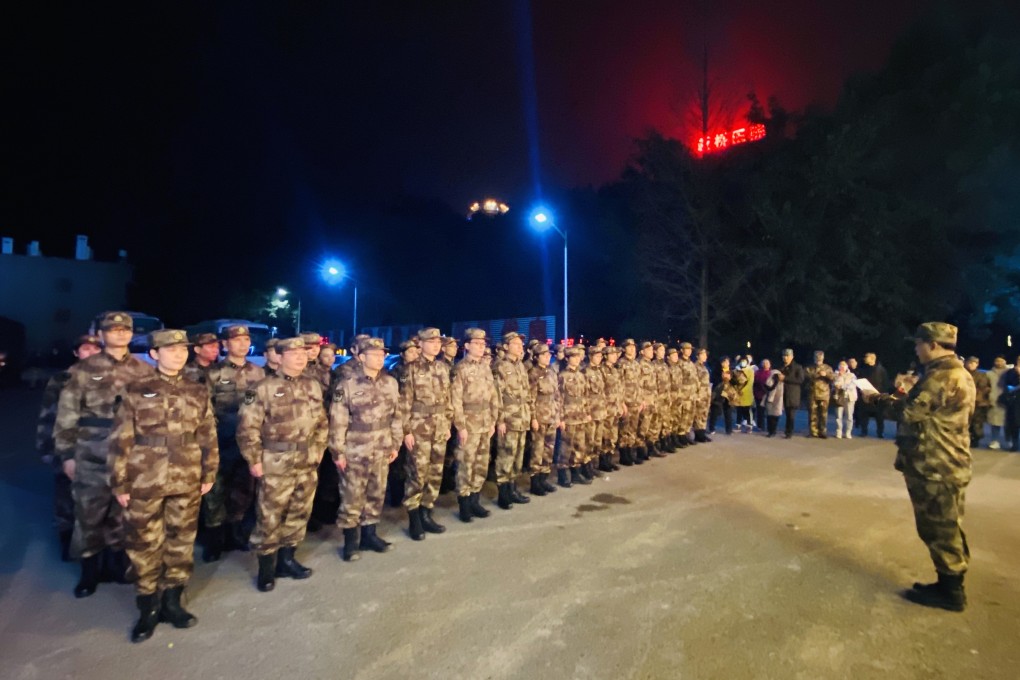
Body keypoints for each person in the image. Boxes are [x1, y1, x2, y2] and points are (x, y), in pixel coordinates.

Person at [108, 329, 218, 642]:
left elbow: (207, 433)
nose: (179, 354)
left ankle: (173, 601)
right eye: (170, 350)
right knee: (144, 542)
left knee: (181, 539)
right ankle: (148, 608)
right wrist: (119, 482)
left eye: (182, 349)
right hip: (144, 477)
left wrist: (209, 472)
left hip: (186, 475)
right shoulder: (136, 388)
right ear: (154, 354)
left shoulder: (197, 390)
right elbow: (120, 439)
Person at [874, 323, 975, 611]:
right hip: (949, 461)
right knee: (947, 525)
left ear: (932, 344)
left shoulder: (942, 376)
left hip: (936, 464)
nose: (916, 350)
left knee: (939, 527)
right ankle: (948, 583)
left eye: (918, 344)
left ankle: (951, 592)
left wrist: (877, 398)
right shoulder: (959, 373)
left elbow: (909, 412)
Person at [54, 311, 153, 597]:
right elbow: (67, 415)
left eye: (125, 330)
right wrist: (67, 454)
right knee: (89, 512)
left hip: (132, 453)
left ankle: (115, 565)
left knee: (124, 513)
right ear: (101, 335)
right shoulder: (83, 370)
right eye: (113, 329)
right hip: (91, 452)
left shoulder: (143, 370)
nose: (120, 334)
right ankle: (89, 572)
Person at [237, 337, 328, 592]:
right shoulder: (262, 388)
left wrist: (319, 449)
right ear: (280, 356)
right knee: (270, 515)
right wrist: (254, 459)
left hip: (307, 460)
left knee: (299, 511)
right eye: (294, 353)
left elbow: (322, 422)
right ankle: (267, 568)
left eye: (303, 353)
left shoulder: (312, 385)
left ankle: (287, 559)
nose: (301, 357)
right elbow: (248, 428)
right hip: (275, 462)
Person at [330, 337, 402, 561]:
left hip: (382, 446)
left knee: (376, 492)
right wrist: (338, 452)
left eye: (382, 354)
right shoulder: (346, 385)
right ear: (361, 357)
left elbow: (397, 415)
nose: (380, 357)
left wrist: (395, 443)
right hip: (355, 448)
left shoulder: (390, 383)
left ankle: (370, 535)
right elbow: (338, 420)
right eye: (374, 354)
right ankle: (351, 542)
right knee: (352, 495)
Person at [201, 325, 266, 561]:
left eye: (246, 339)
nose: (242, 343)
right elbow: (205, 408)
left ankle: (235, 534)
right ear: (225, 344)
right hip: (221, 440)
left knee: (242, 490)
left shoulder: (258, 373)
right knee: (216, 492)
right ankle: (214, 541)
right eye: (236, 340)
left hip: (247, 441)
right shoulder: (213, 373)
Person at [36, 334, 102, 561]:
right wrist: (51, 451)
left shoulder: (107, 378)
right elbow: (49, 416)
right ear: (76, 352)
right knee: (66, 498)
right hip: (68, 445)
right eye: (86, 349)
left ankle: (95, 548)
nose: (91, 353)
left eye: (96, 349)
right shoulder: (62, 379)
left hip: (98, 450)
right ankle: (66, 540)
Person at [400, 328, 453, 539]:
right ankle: (414, 518)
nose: (435, 345)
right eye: (430, 341)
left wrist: (448, 424)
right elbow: (403, 402)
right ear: (420, 344)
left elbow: (447, 398)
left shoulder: (442, 368)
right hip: (419, 429)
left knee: (435, 473)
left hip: (439, 427)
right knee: (417, 473)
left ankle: (427, 513)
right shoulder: (410, 369)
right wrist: (406, 431)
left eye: (438, 341)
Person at [450, 328, 499, 521]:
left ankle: (475, 500)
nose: (481, 347)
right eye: (477, 343)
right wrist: (460, 426)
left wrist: (493, 419)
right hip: (469, 423)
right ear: (467, 345)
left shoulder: (485, 367)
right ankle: (464, 504)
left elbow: (493, 395)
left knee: (481, 462)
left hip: (485, 421)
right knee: (466, 463)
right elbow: (455, 400)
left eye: (483, 343)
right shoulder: (460, 368)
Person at [492, 331, 533, 509]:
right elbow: (497, 395)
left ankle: (513, 489)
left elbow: (527, 393)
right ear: (506, 346)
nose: (520, 346)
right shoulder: (499, 366)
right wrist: (500, 420)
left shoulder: (521, 366)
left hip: (522, 417)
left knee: (517, 456)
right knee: (505, 456)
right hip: (508, 418)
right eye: (515, 344)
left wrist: (530, 414)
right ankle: (503, 493)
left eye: (520, 344)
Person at [527, 343, 561, 495]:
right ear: (536, 357)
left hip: (551, 415)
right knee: (537, 450)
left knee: (549, 449)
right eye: (544, 355)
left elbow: (557, 396)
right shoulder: (533, 374)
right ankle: (535, 482)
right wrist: (533, 418)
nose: (548, 357)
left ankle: (544, 478)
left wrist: (558, 415)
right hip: (540, 416)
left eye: (549, 355)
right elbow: (531, 399)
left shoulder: (551, 372)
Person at [557, 346, 591, 486]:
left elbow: (586, 395)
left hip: (580, 415)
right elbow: (558, 398)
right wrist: (560, 418)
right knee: (566, 446)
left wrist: (587, 412)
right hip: (568, 416)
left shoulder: (581, 375)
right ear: (567, 359)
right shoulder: (562, 376)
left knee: (579, 445)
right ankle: (563, 474)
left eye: (578, 357)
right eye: (573, 357)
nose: (577, 359)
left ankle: (576, 472)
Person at [615, 339, 644, 465]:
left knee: (633, 428)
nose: (632, 349)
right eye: (629, 347)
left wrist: (642, 399)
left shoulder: (636, 364)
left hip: (636, 400)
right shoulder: (621, 363)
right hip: (626, 401)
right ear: (624, 349)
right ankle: (623, 454)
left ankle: (631, 452)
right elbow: (619, 384)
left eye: (633, 347)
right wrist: (621, 402)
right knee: (624, 429)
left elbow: (640, 383)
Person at [856, 353, 890, 438]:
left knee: (879, 416)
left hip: (877, 395)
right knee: (864, 414)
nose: (865, 359)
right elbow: (859, 380)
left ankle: (880, 432)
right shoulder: (863, 369)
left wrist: (882, 394)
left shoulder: (881, 370)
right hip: (865, 395)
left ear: (872, 359)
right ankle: (864, 431)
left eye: (866, 357)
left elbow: (885, 383)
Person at [804, 351, 834, 438]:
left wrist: (826, 375)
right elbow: (806, 376)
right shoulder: (810, 368)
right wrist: (817, 374)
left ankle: (822, 431)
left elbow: (833, 378)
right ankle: (813, 431)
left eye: (820, 357)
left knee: (823, 414)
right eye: (816, 357)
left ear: (823, 358)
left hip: (824, 394)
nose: (818, 359)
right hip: (812, 393)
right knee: (812, 413)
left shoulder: (827, 368)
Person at [778, 349, 805, 439]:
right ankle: (785, 430)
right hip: (782, 393)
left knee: (791, 414)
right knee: (786, 413)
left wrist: (785, 378)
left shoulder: (797, 367)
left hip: (792, 394)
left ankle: (789, 432)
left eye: (787, 356)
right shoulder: (781, 367)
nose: (785, 358)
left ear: (792, 357)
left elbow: (800, 380)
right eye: (784, 356)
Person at [964, 356, 991, 448]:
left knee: (977, 423)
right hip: (963, 402)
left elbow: (984, 388)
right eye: (970, 362)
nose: (971, 365)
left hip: (977, 403)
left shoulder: (981, 375)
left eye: (974, 363)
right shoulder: (962, 373)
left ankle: (976, 439)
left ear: (977, 364)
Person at [986, 355, 1008, 449]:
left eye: (1001, 361)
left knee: (1009, 423)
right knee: (994, 422)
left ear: (1005, 362)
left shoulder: (1010, 372)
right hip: (994, 400)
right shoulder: (989, 373)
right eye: (997, 361)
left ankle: (1009, 441)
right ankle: (995, 441)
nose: (998, 363)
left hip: (1007, 401)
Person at [709, 357, 736, 435]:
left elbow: (736, 382)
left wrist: (730, 379)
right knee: (715, 411)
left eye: (727, 362)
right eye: (724, 362)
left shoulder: (732, 371)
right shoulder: (716, 371)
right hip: (718, 393)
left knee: (728, 412)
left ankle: (729, 429)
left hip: (728, 394)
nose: (726, 363)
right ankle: (712, 428)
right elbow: (712, 380)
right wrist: (722, 378)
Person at [833, 360, 858, 439]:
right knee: (838, 416)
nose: (842, 368)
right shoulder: (835, 374)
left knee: (849, 416)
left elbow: (852, 385)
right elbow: (834, 384)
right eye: (841, 366)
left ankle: (848, 431)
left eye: (844, 366)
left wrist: (842, 386)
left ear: (847, 367)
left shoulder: (852, 375)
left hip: (850, 397)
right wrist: (839, 376)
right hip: (839, 397)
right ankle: (839, 431)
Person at [732, 357, 754, 433]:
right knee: (739, 410)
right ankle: (738, 425)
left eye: (744, 361)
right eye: (741, 361)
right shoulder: (736, 370)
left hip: (747, 394)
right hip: (738, 394)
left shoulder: (750, 371)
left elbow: (750, 382)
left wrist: (743, 390)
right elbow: (733, 381)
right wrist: (736, 390)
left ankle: (749, 426)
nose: (743, 362)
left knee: (747, 410)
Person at [763, 364, 784, 437]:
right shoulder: (769, 380)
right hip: (770, 400)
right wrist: (775, 382)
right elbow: (768, 387)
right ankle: (770, 431)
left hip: (778, 400)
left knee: (776, 416)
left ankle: (773, 430)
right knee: (769, 416)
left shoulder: (782, 383)